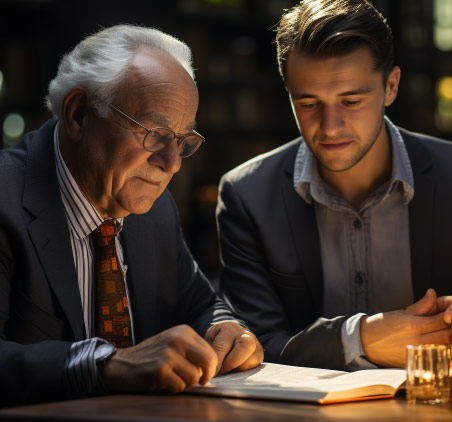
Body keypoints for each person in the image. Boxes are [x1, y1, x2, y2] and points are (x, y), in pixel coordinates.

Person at [0, 24, 263, 407]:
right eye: (154, 132)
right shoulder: (6, 201)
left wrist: (225, 328)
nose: (171, 164)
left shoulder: (153, 209)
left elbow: (198, 303)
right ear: (78, 114)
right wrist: (108, 366)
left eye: (182, 139)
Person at [216, 0, 452, 372]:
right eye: (310, 103)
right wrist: (359, 338)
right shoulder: (247, 195)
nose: (330, 126)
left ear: (391, 86)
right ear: (288, 94)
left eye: (351, 101)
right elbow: (255, 345)